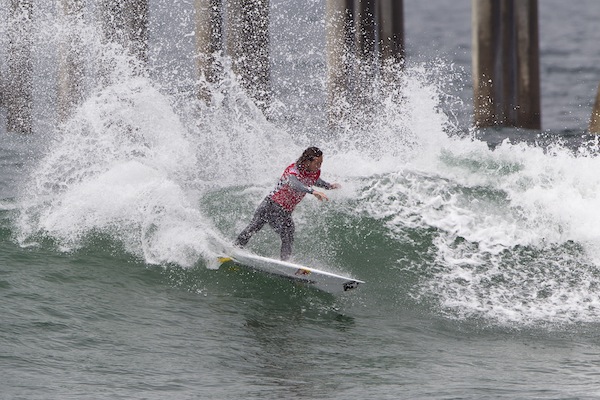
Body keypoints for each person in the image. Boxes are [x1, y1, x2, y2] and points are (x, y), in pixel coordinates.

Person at [234, 147, 340, 261]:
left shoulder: (314, 172)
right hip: (271, 205)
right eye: (317, 163)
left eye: (321, 163)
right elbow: (294, 184)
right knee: (253, 228)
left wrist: (329, 186)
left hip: (285, 211)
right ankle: (234, 250)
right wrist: (312, 191)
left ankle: (286, 263)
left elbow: (315, 180)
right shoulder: (293, 170)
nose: (319, 166)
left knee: (288, 235)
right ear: (307, 161)